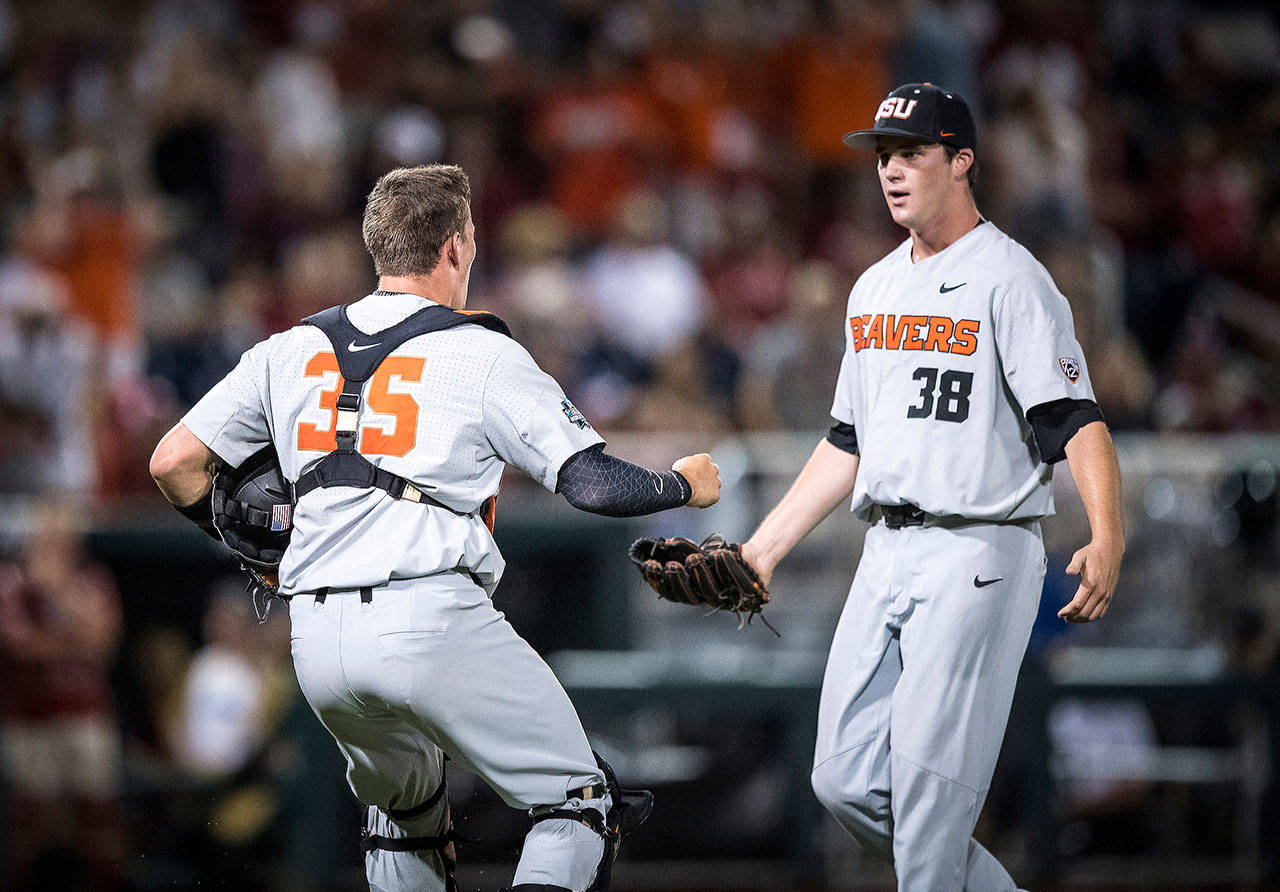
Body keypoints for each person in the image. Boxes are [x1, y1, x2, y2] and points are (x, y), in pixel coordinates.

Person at [149, 163, 722, 892]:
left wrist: (255, 550)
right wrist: (684, 483)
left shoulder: (286, 349)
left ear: (377, 246)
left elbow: (173, 462)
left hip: (317, 640)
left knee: (403, 819)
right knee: (578, 803)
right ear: (457, 246)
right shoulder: (479, 352)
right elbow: (592, 484)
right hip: (426, 612)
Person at [739, 84, 1125, 890]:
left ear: (962, 160)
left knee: (926, 819)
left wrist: (1106, 531)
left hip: (977, 552)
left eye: (912, 152)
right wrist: (761, 550)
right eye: (883, 155)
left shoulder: (1010, 279)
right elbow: (847, 441)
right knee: (843, 782)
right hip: (886, 551)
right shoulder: (873, 287)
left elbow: (1074, 418)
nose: (891, 170)